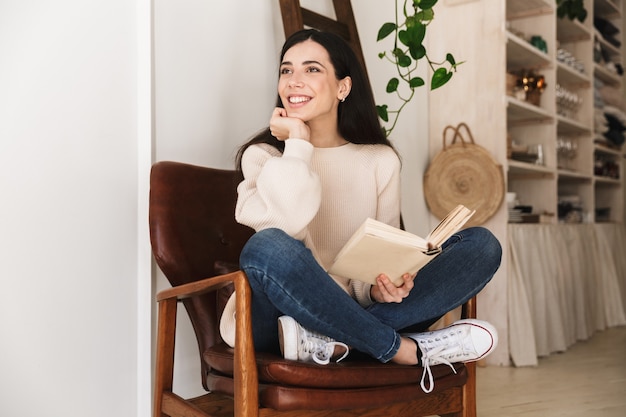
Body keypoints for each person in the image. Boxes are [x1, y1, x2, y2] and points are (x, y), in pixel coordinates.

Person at [219, 28, 502, 393]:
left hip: (350, 313)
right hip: (278, 322)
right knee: (267, 246)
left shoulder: (379, 161)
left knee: (481, 244)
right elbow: (285, 225)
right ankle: (399, 348)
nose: (294, 81)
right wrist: (299, 144)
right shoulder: (266, 156)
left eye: (312, 70)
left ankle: (337, 344)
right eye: (286, 71)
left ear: (343, 88)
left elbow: (373, 263)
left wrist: (381, 289)